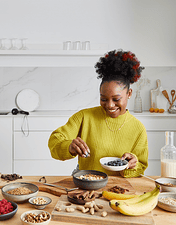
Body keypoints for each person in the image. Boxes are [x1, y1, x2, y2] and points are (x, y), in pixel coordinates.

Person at [48, 49, 148, 177]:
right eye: (103, 99)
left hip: (119, 188)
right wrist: (69, 147)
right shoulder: (84, 117)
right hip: (86, 184)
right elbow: (54, 142)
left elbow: (141, 167)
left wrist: (133, 164)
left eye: (116, 99)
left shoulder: (138, 128)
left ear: (129, 94)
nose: (110, 105)